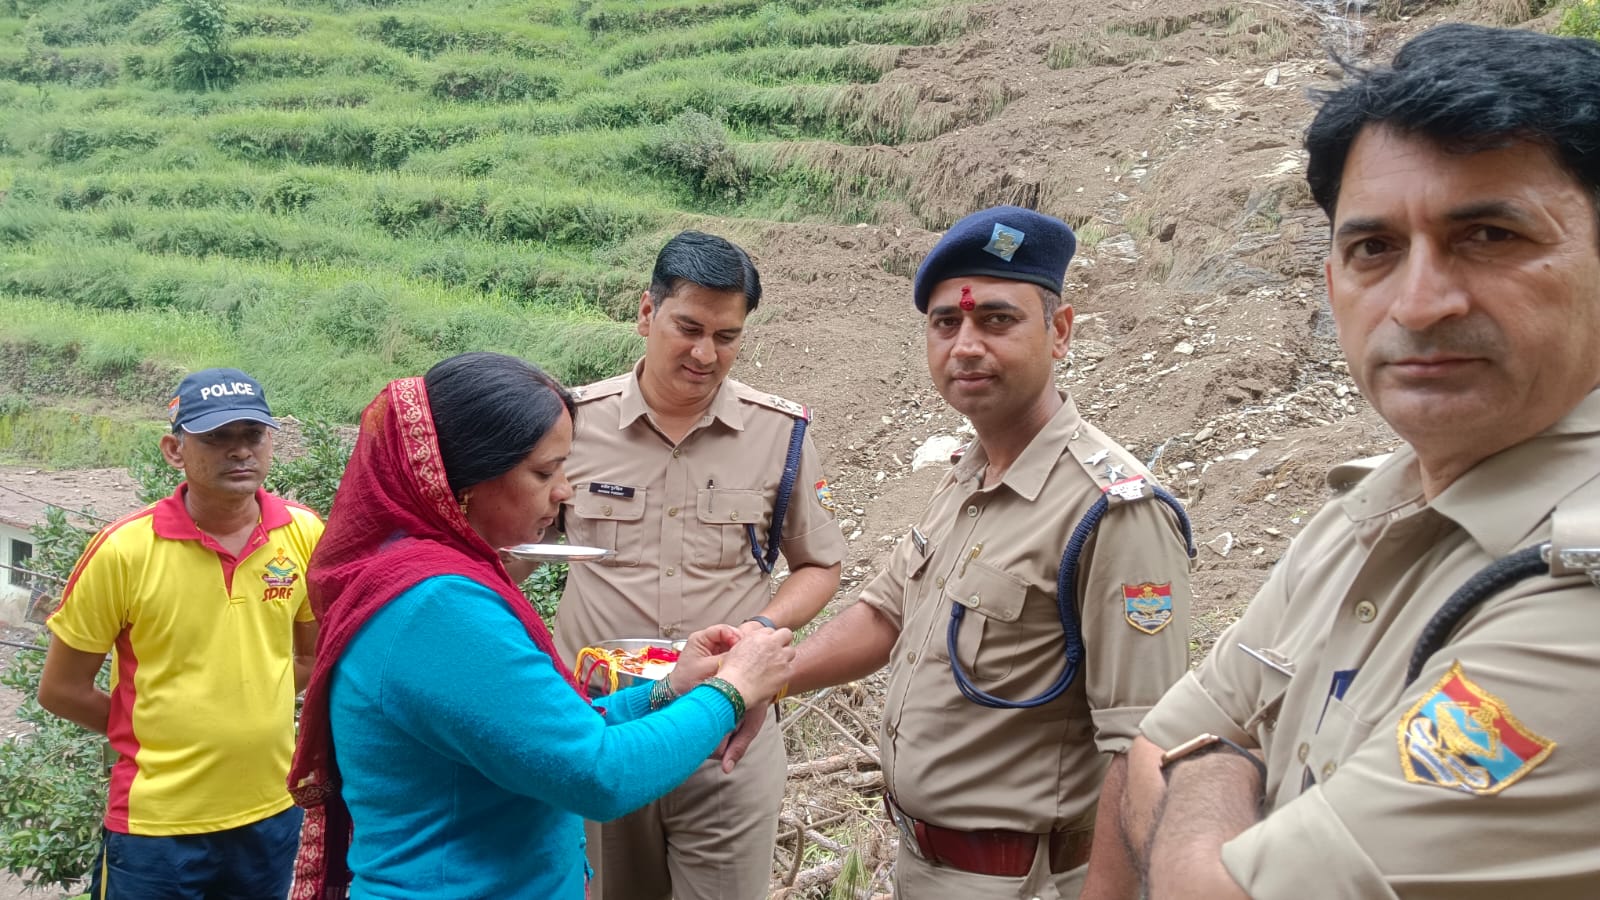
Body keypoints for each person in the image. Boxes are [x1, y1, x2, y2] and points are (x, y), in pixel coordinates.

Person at [1105, 23, 1600, 900]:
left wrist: (1214, 768)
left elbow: (1195, 811)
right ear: (1332, 282)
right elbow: (1148, 750)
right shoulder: (1363, 518)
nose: (1420, 303)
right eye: (1374, 249)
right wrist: (1209, 788)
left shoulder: (1577, 598)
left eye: (1490, 235)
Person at [725, 206, 1196, 899]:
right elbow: (885, 614)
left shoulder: (1113, 511)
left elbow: (1143, 744)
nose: (966, 345)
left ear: (1060, 332)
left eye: (998, 321)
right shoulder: (968, 474)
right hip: (923, 866)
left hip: (1025, 881)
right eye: (946, 323)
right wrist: (765, 680)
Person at [286, 351, 795, 900]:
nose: (565, 491)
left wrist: (668, 691)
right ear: (464, 482)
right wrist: (732, 690)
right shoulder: (436, 609)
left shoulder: (427, 580)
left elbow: (544, 734)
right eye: (544, 472)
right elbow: (599, 775)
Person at [554, 231, 846, 900]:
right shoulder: (572, 422)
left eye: (726, 336)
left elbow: (819, 565)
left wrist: (757, 633)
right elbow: (510, 552)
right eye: (688, 328)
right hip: (601, 729)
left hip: (725, 735)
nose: (705, 353)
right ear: (646, 313)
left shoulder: (780, 434)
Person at [38, 367, 320, 898]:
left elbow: (310, 656)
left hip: (270, 812)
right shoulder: (124, 550)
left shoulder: (303, 533)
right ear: (174, 450)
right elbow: (61, 690)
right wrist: (160, 734)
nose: (240, 451)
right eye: (216, 437)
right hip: (157, 826)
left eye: (253, 435)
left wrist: (245, 705)